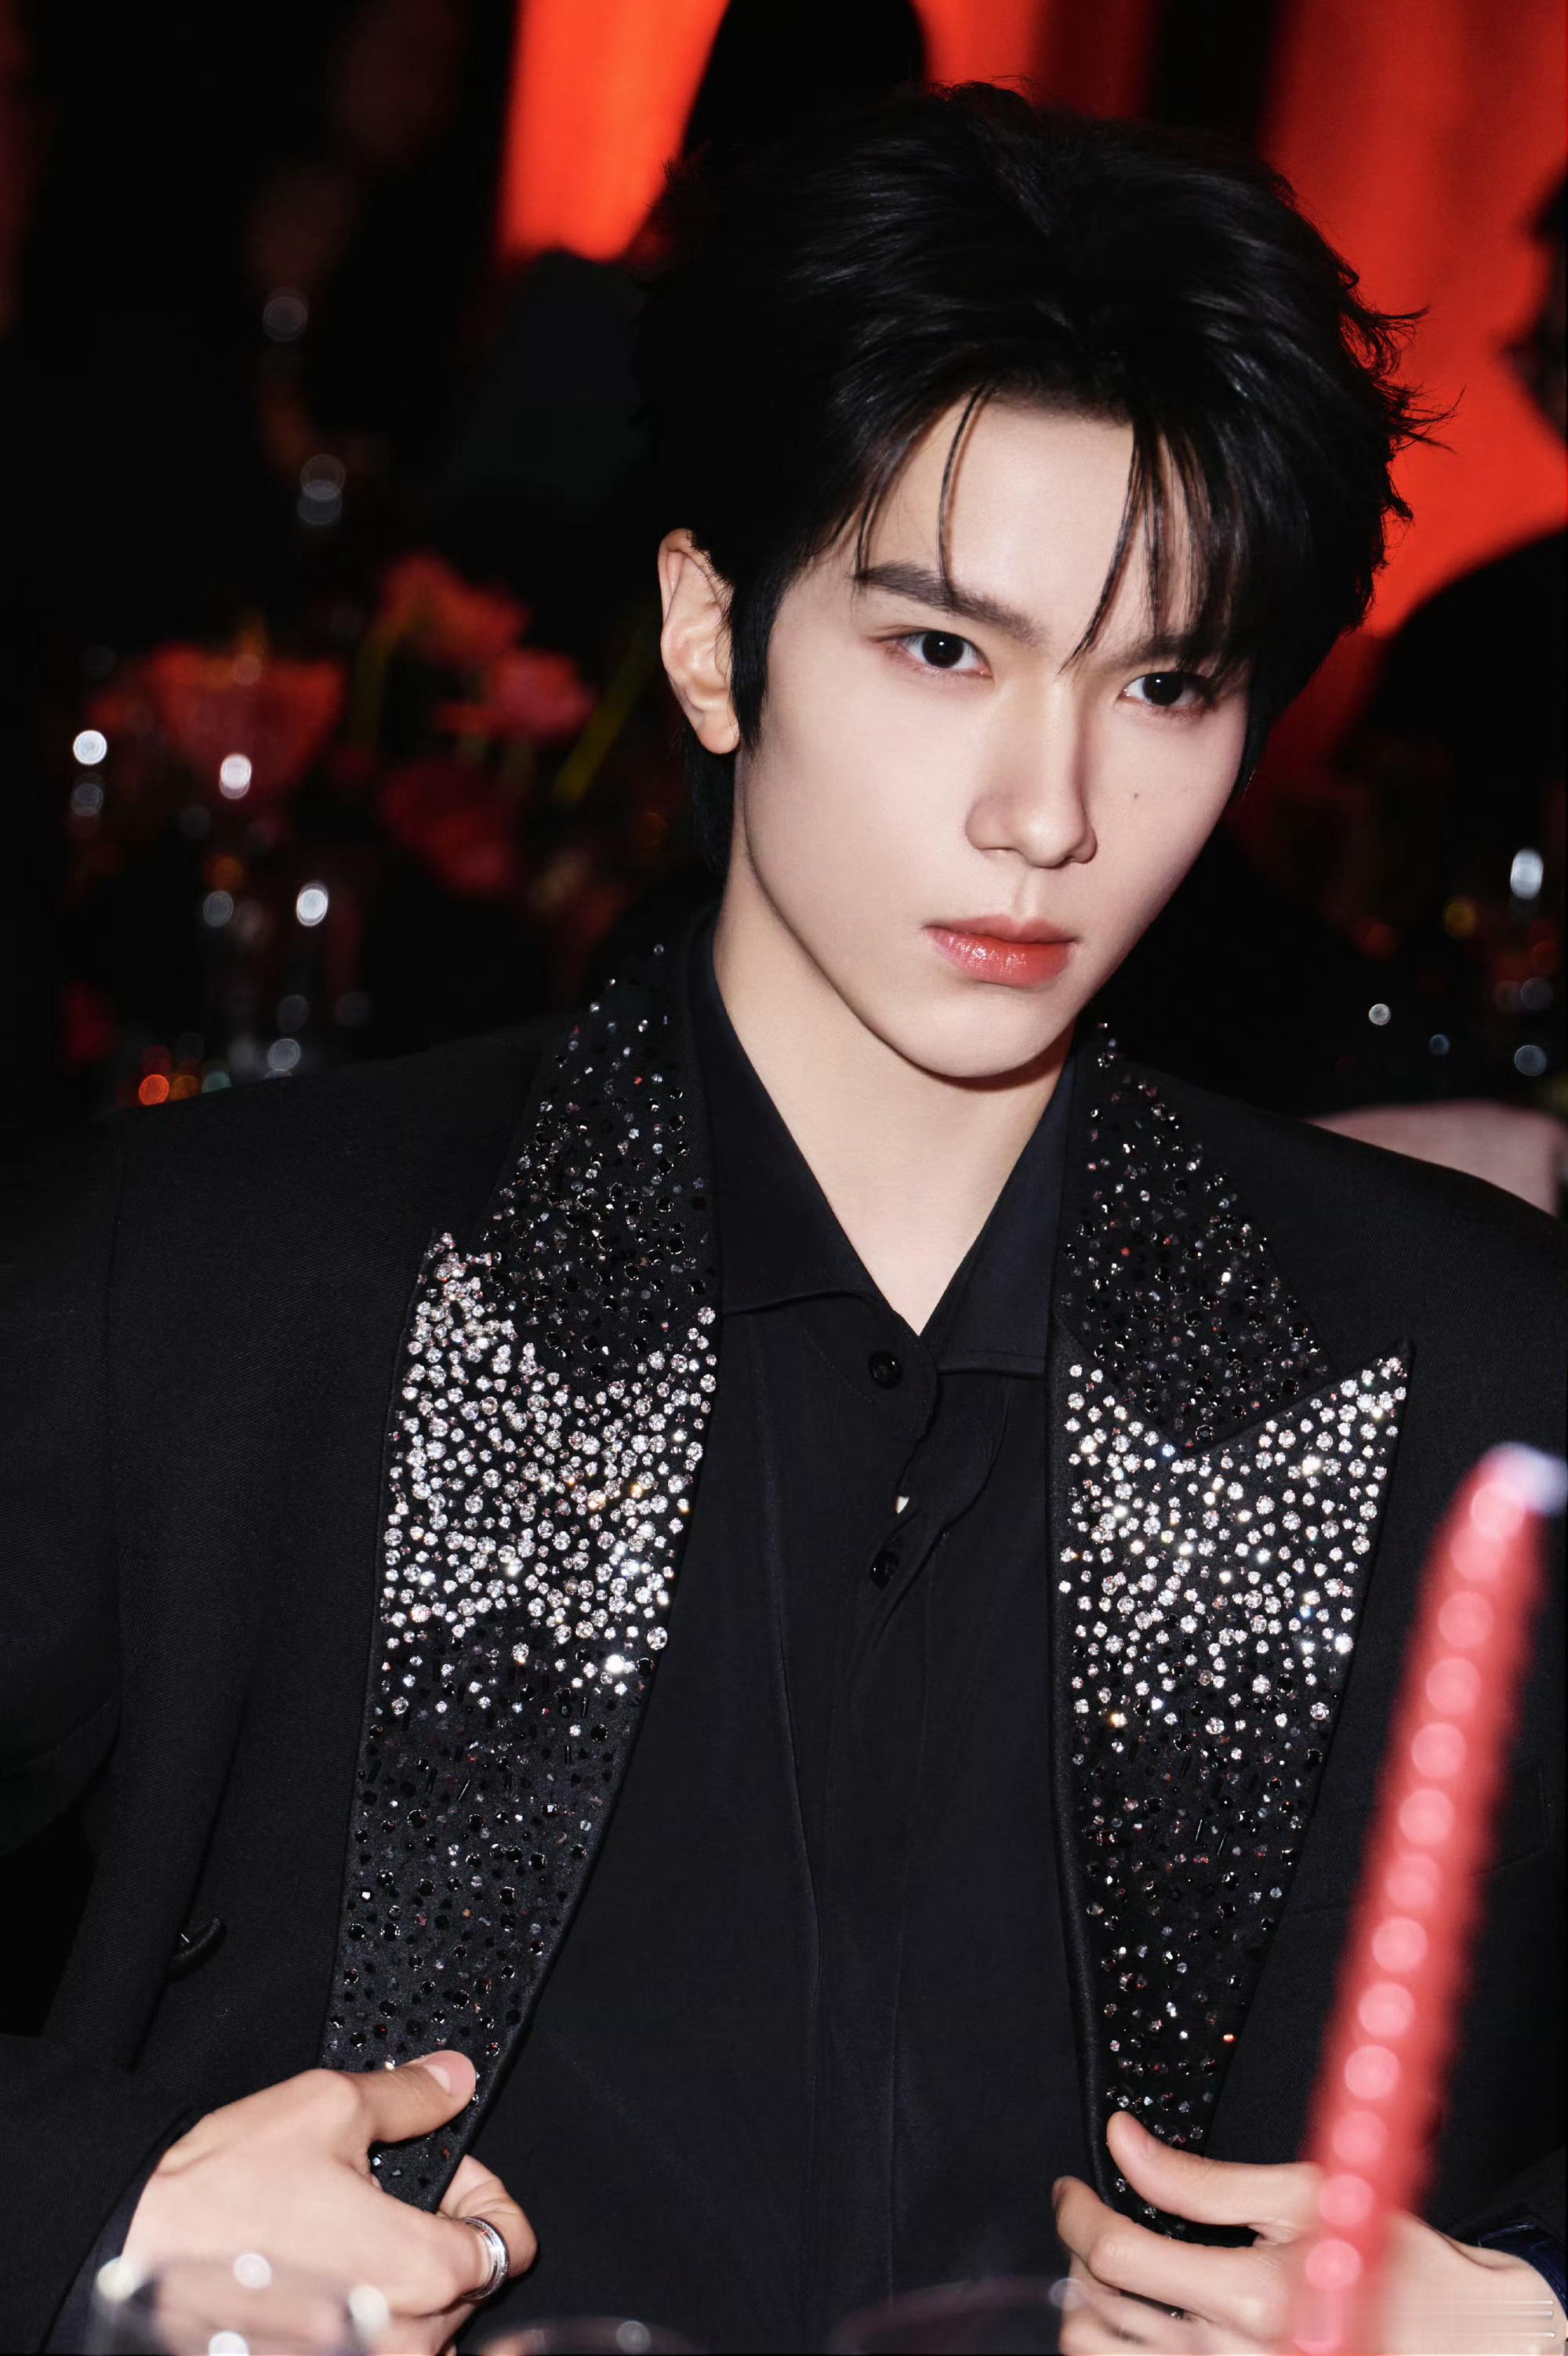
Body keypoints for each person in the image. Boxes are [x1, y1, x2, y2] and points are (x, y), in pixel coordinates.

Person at [2, 87, 1562, 2356]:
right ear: (712, 637)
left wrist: (1528, 2312)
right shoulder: (228, 1294)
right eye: (942, 651)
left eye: (1164, 683)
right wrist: (106, 2210)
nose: (1050, 811)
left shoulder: (1474, 1378)